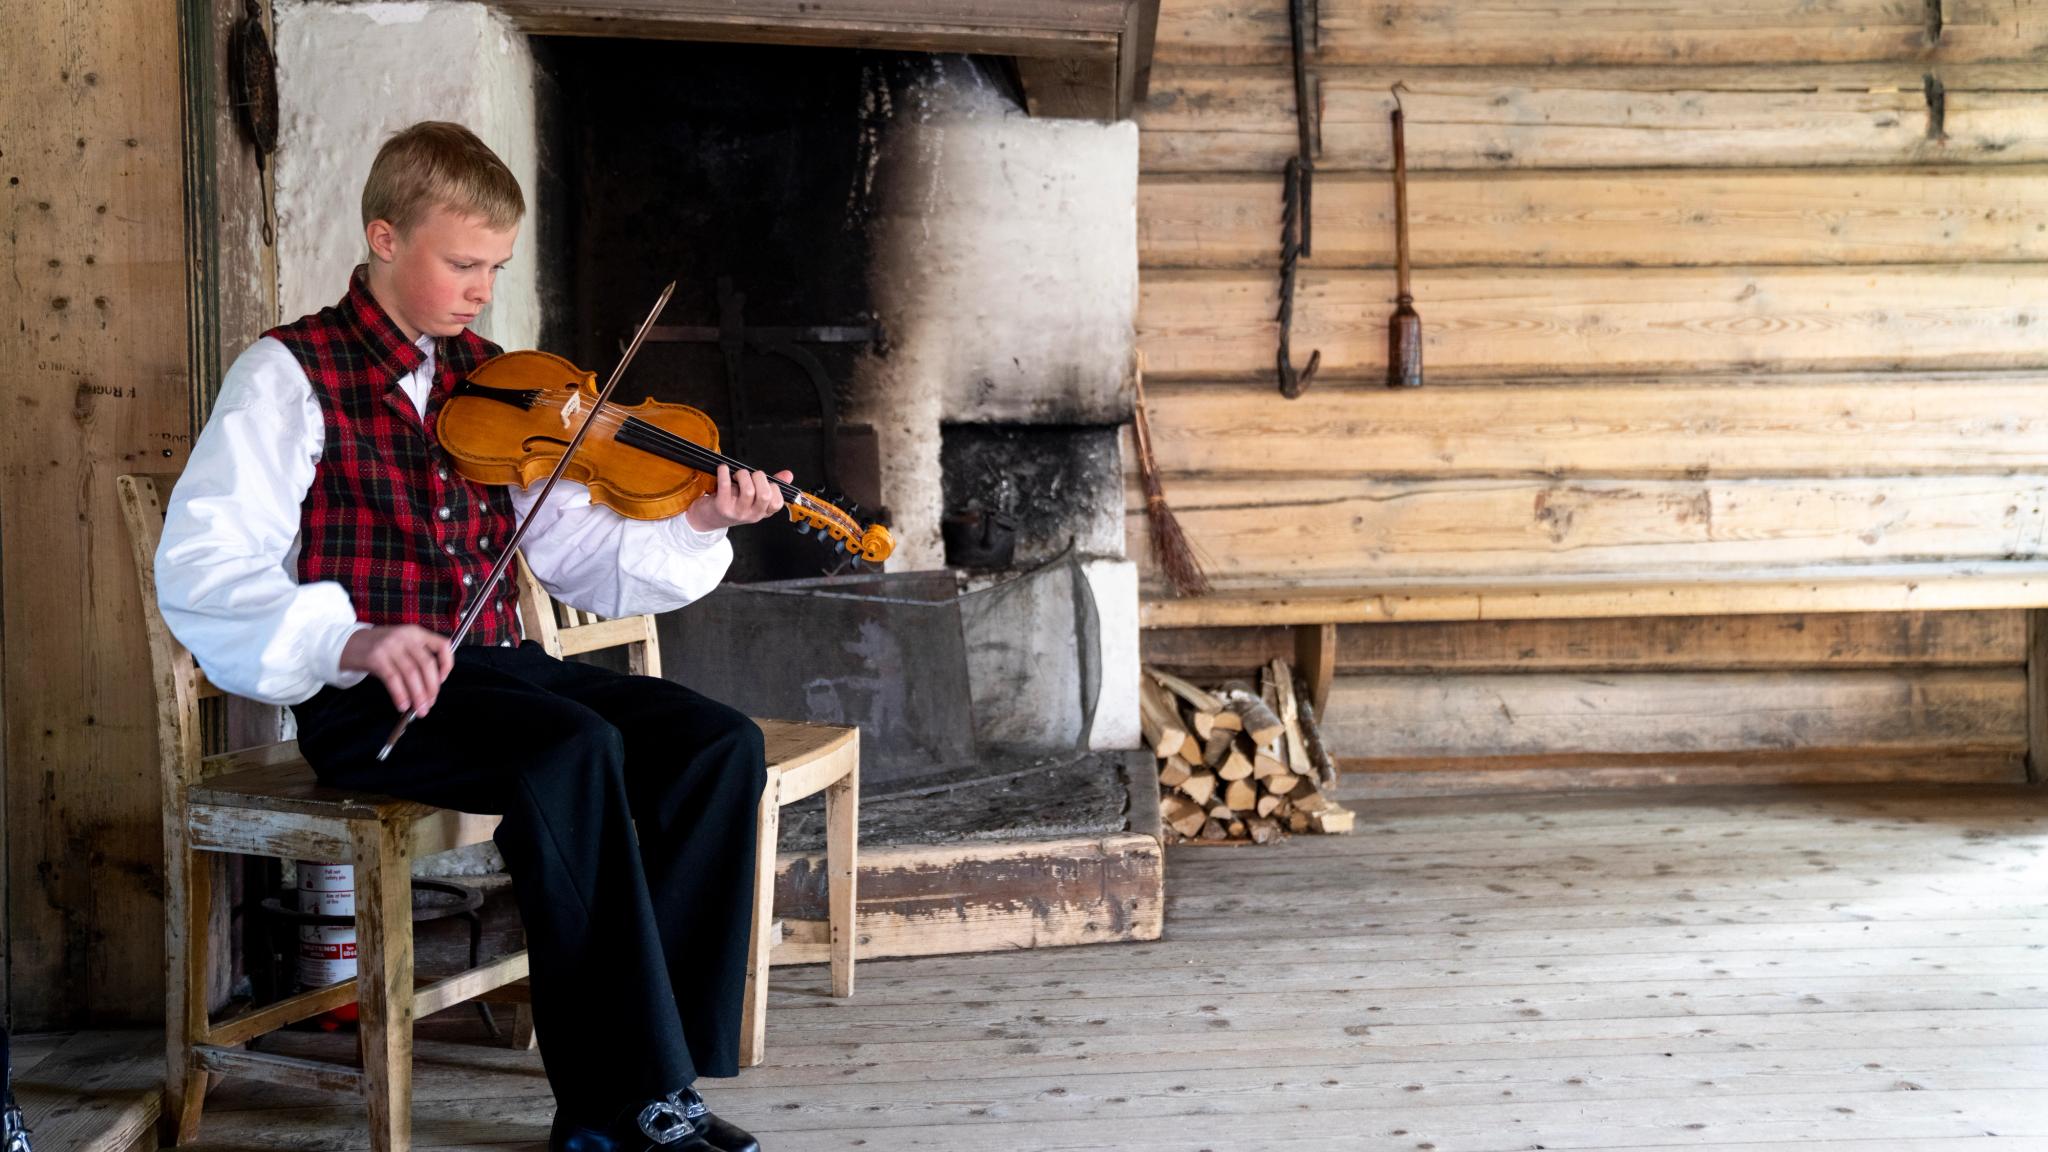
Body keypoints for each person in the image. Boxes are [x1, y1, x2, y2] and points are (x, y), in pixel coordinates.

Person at [155, 120, 786, 1152]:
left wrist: (701, 521)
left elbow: (580, 551)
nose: (480, 288)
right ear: (384, 238)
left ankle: (660, 1080)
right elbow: (204, 569)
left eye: (494, 266)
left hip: (504, 674)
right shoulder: (287, 374)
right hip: (373, 702)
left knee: (717, 744)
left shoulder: (505, 384)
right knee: (572, 752)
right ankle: (610, 1106)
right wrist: (352, 641)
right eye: (461, 263)